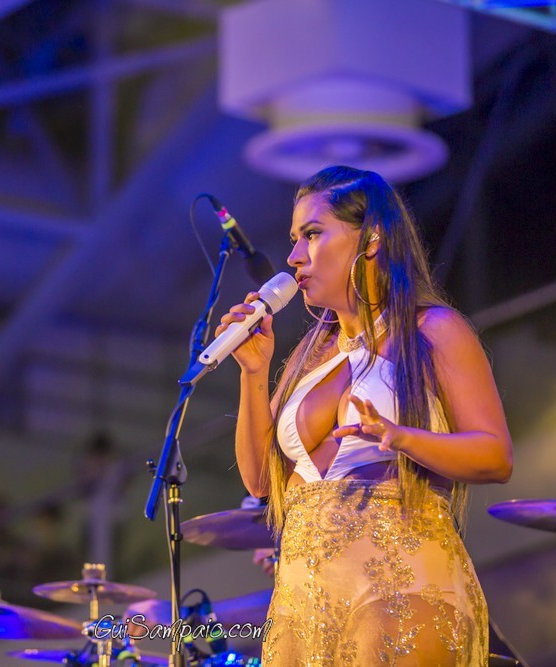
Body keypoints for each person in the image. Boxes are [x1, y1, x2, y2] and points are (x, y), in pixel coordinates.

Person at [219, 166, 512, 665]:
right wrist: (254, 372)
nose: (294, 256)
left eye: (313, 234)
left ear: (372, 238)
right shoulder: (309, 355)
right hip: (304, 607)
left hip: (401, 590)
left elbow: (495, 456)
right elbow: (259, 481)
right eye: (294, 239)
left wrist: (404, 438)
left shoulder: (433, 330)